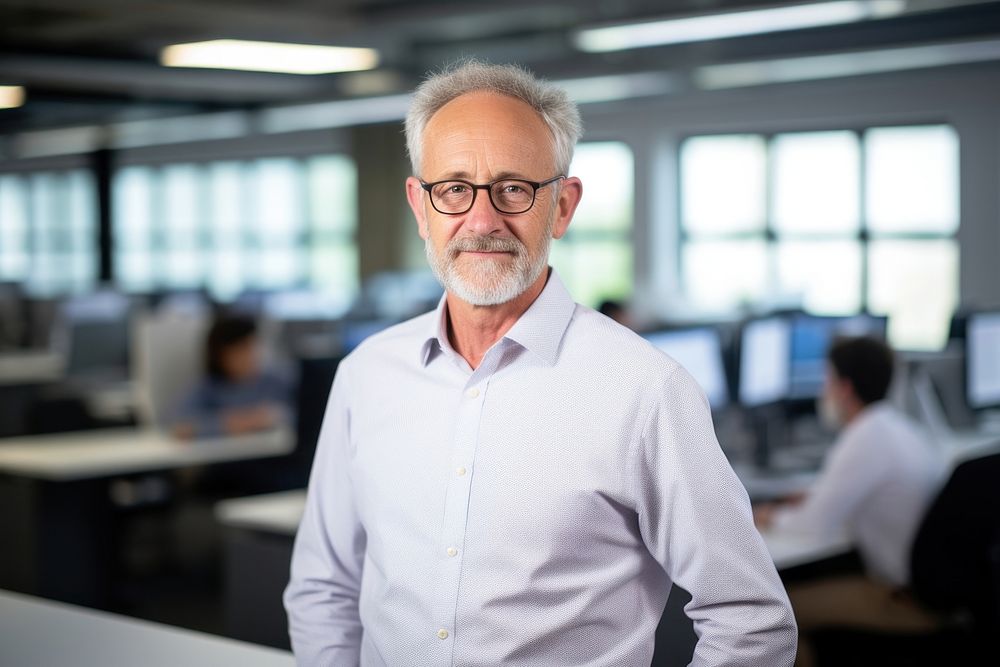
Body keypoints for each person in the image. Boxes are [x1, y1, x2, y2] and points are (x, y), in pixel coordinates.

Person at [284, 60, 796, 666]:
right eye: (453, 188)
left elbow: (749, 619)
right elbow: (324, 587)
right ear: (420, 206)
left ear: (563, 206)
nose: (482, 220)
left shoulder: (645, 389)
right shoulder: (366, 374)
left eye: (514, 188)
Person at [755, 336, 946, 667]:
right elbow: (862, 488)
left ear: (844, 387)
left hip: (904, 601)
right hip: (938, 591)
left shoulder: (865, 438)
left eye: (826, 380)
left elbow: (811, 527)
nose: (823, 391)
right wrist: (816, 495)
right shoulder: (898, 426)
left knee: (772, 617)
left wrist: (770, 516)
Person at [169, 314, 290, 439]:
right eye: (241, 348)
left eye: (253, 346)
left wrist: (275, 417)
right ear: (221, 355)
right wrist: (238, 422)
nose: (251, 355)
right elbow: (179, 424)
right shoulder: (208, 387)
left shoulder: (275, 381)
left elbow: (301, 412)